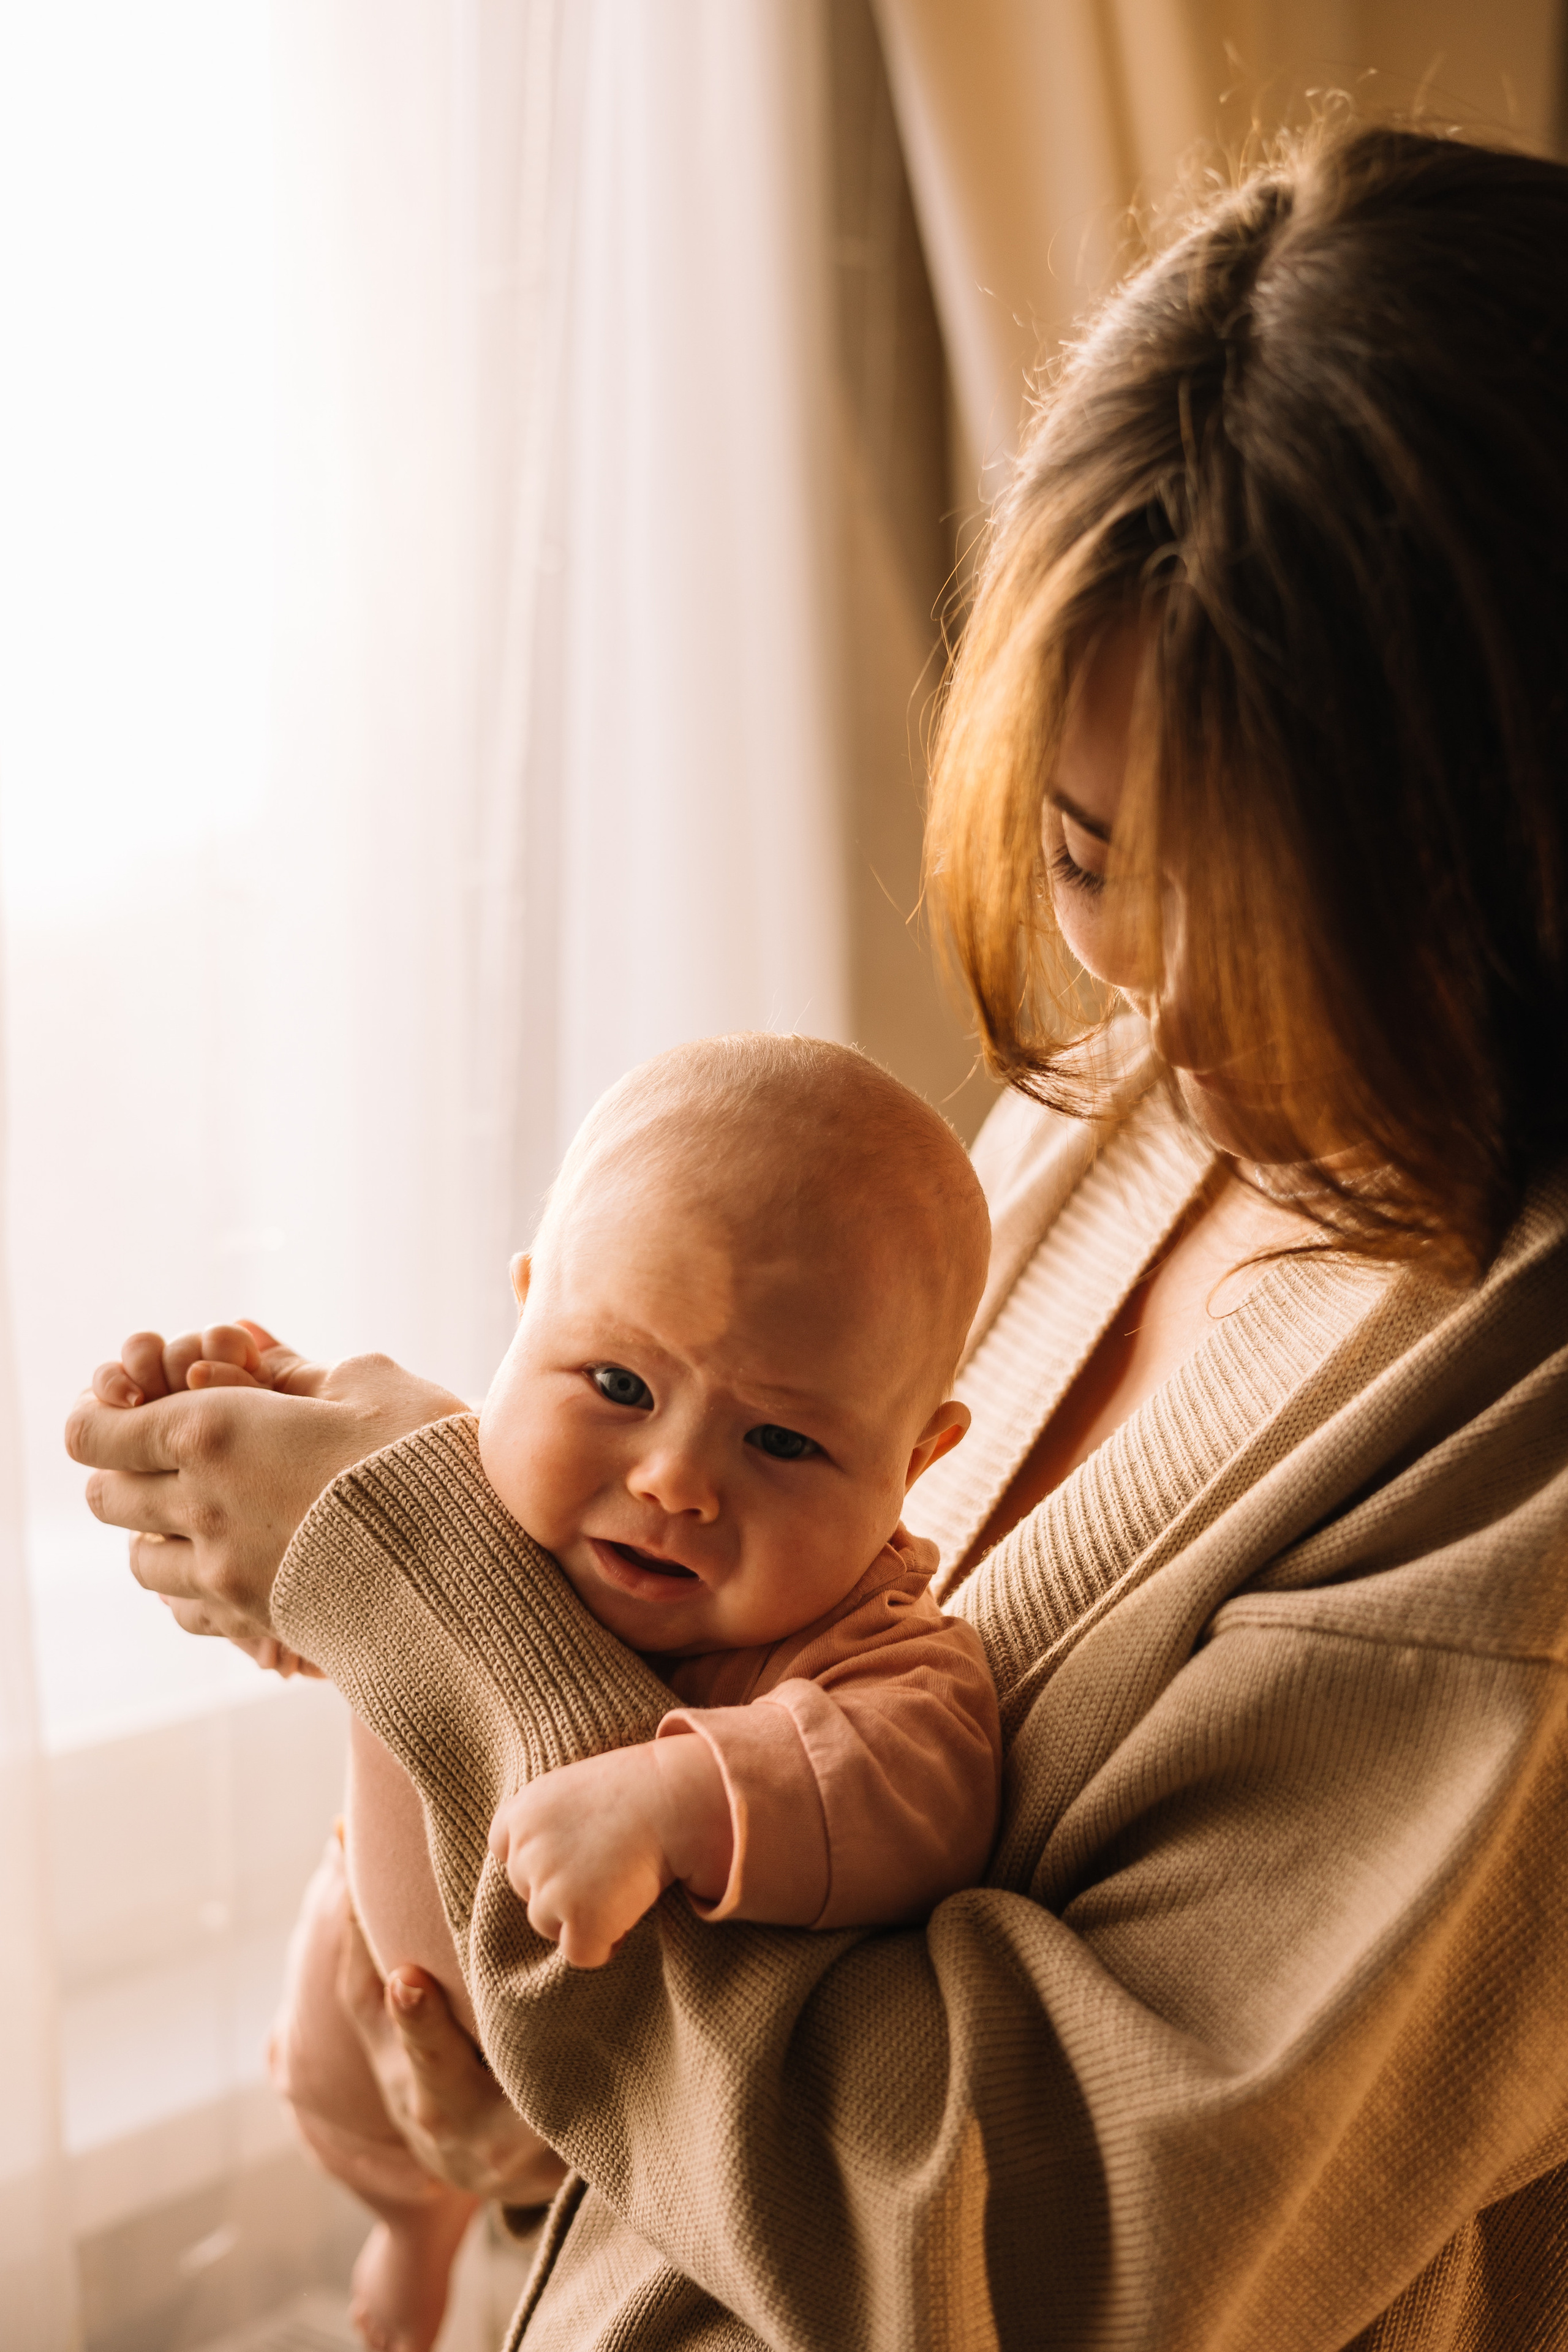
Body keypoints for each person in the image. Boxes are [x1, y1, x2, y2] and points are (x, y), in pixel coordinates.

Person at [67, 122, 1568, 2348]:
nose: (1167, 1018)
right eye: (1091, 858)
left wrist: (422, 1576)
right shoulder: (1123, 1122)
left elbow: (1028, 2260)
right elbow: (757, 1876)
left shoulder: (1519, 1483)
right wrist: (518, 2061)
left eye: (1286, 923)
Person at [91, 1036, 999, 2352]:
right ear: (526, 1313)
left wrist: (679, 1800)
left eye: (782, 1440)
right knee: (342, 2088)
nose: (674, 1479)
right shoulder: (488, 1489)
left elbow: (920, 1785)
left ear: (915, 1459)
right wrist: (244, 1457)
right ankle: (415, 2224)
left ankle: (444, 2231)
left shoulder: (869, 1645)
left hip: (580, 2111)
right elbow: (366, 1637)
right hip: (369, 2004)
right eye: (619, 1385)